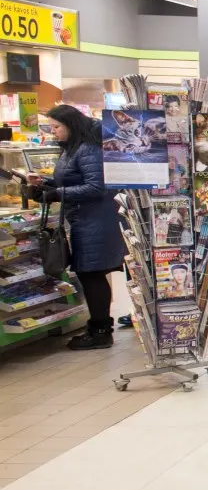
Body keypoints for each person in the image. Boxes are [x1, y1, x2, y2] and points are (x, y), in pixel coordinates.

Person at [26, 105, 125, 350]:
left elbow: (96, 187)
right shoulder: (74, 147)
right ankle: (99, 328)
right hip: (85, 219)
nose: (53, 131)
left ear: (71, 125)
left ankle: (100, 332)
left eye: (57, 127)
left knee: (91, 274)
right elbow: (71, 179)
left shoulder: (88, 148)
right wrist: (45, 183)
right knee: (89, 273)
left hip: (96, 220)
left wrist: (57, 193)